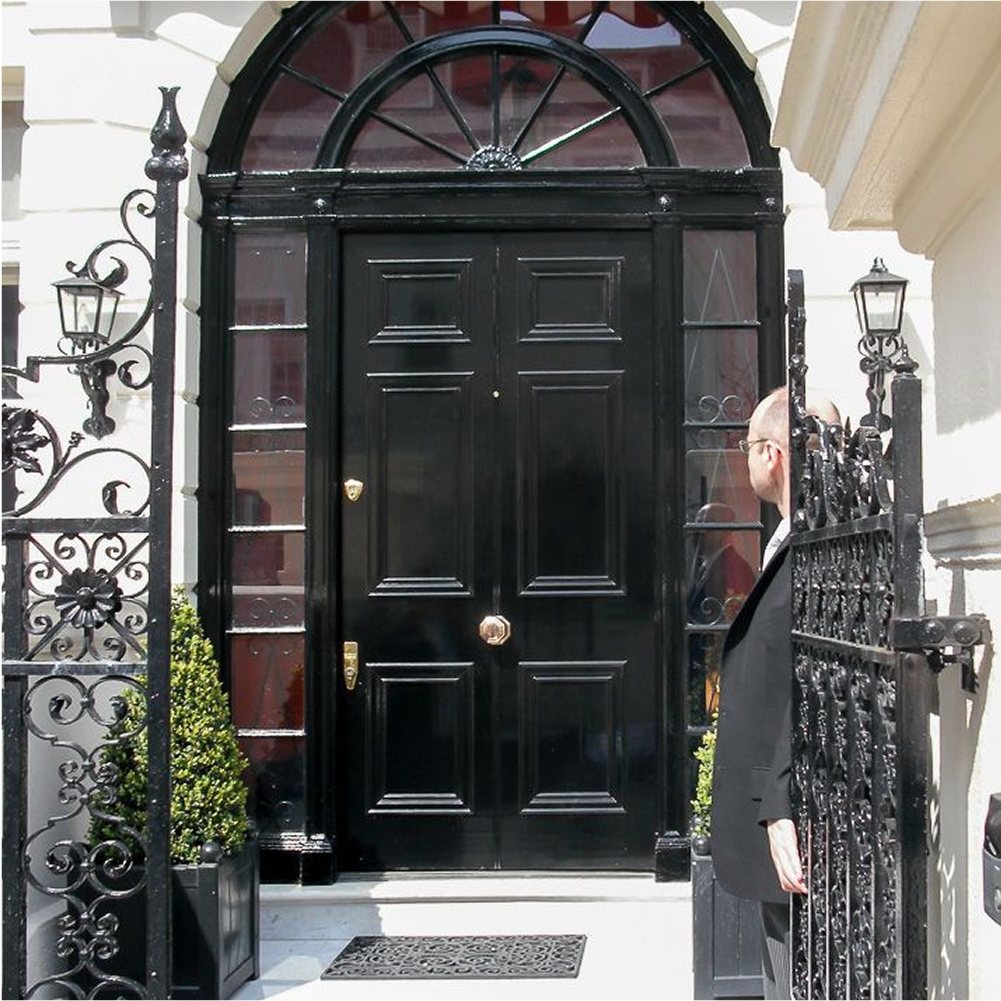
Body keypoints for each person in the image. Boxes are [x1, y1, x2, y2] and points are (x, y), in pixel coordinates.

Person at [710, 386, 840, 1001]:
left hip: (799, 809)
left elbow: (818, 687)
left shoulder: (824, 546)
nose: (747, 460)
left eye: (750, 446)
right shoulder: (792, 536)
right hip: (779, 805)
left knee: (799, 971)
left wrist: (781, 804)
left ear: (774, 455)